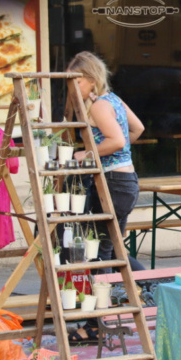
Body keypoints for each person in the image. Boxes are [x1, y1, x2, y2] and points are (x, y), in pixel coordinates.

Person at [68, 52, 146, 268]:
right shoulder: (114, 100)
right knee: (113, 249)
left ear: (92, 79)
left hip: (112, 183)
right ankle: (140, 288)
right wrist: (115, 151)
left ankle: (108, 298)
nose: (72, 86)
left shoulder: (99, 106)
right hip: (127, 181)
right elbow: (138, 128)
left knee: (101, 251)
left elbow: (118, 141)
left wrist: (88, 153)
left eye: (77, 81)